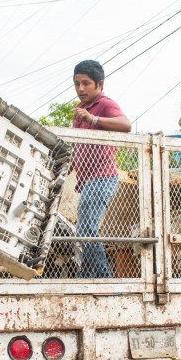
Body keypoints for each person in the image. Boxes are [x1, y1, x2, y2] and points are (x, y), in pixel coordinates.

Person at [71, 59, 132, 278]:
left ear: (99, 84)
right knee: (83, 232)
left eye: (86, 83)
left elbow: (126, 125)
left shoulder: (105, 104)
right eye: (77, 83)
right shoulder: (79, 109)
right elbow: (77, 146)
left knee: (87, 229)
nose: (80, 89)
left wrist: (94, 119)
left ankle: (104, 278)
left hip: (103, 177)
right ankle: (86, 277)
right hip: (87, 181)